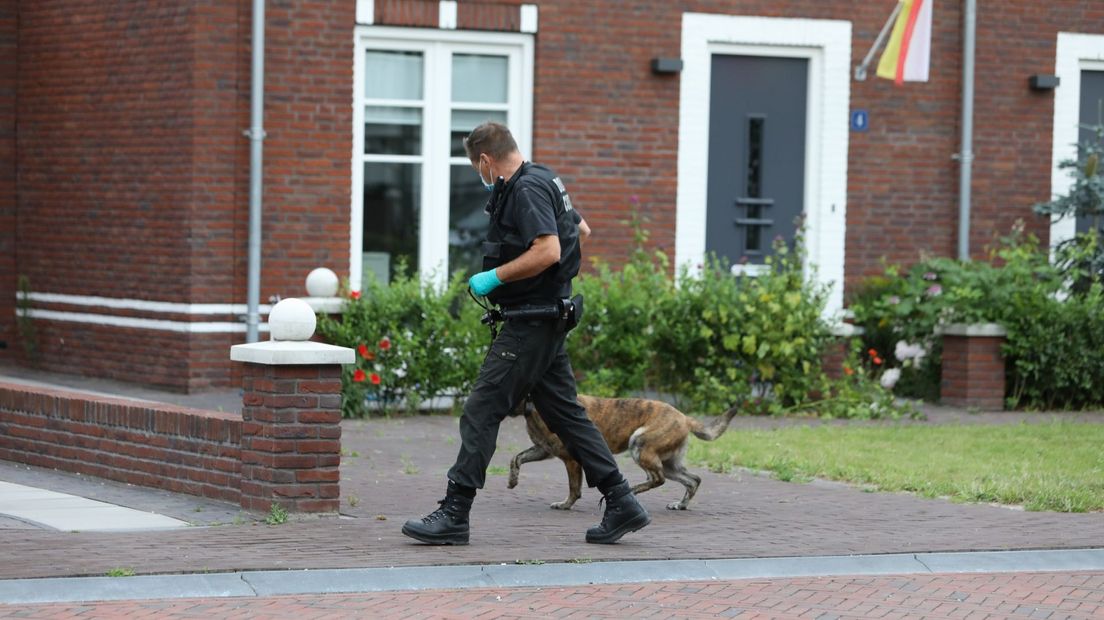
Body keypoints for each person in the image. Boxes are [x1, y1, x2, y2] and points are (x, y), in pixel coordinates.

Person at [402, 122, 650, 545]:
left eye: (477, 168)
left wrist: (495, 278)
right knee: (567, 415)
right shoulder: (545, 178)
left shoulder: (524, 190)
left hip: (531, 322)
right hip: (548, 316)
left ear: (485, 160)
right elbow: (581, 233)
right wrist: (556, 286)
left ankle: (455, 512)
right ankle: (622, 501)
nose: (480, 176)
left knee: (481, 409)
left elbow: (550, 249)